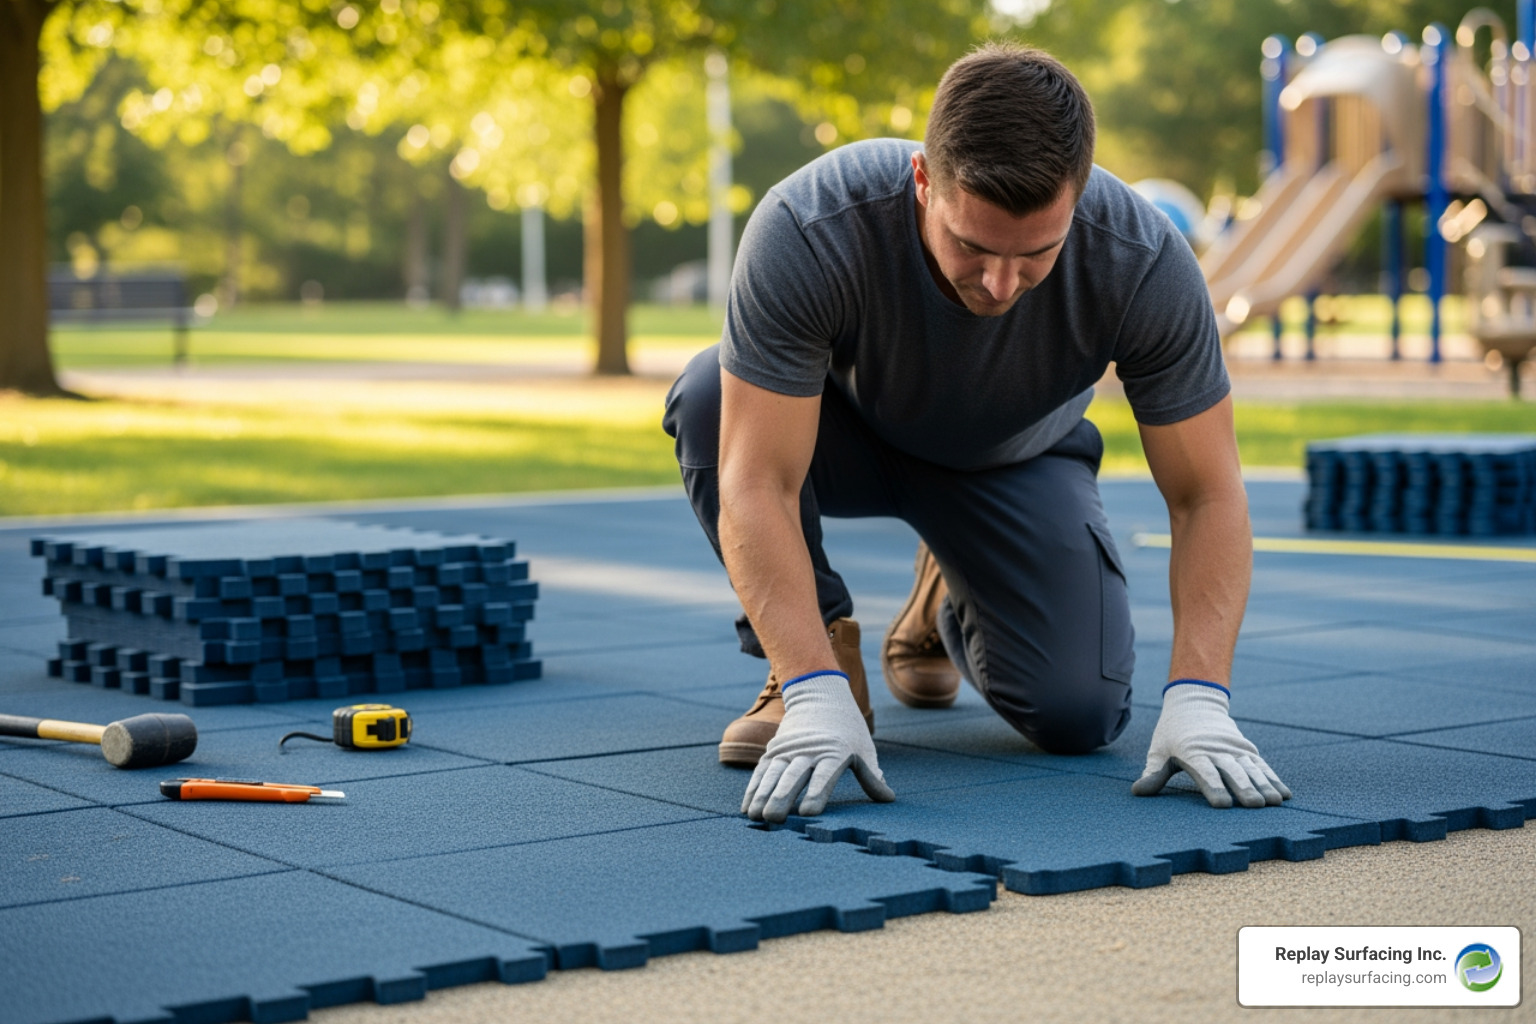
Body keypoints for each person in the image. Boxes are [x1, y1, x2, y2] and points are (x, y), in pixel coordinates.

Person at [661, 41, 1290, 825]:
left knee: (1079, 715)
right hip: (844, 437)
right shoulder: (810, 225)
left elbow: (1207, 494)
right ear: (923, 180)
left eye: (1036, 254)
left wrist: (1200, 696)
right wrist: (812, 685)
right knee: (709, 395)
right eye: (972, 245)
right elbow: (756, 480)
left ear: (1078, 196)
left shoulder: (1143, 260)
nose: (999, 284)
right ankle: (818, 663)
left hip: (1015, 458)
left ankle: (945, 585)